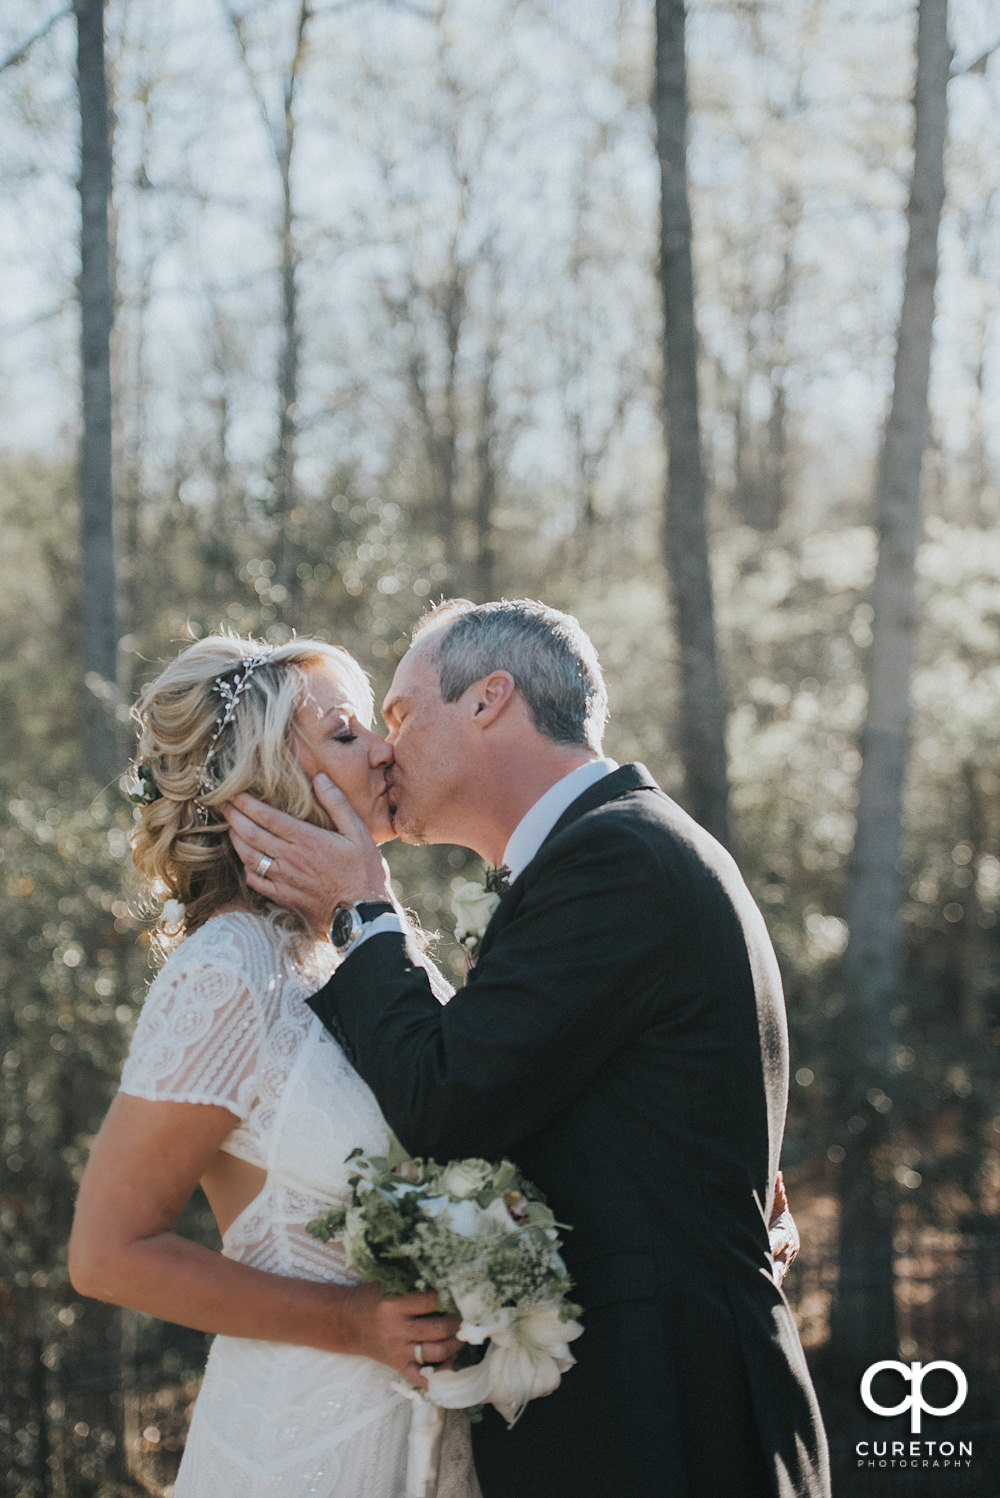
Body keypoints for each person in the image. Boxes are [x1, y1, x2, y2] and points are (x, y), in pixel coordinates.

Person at [224, 598, 832, 1498]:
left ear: (487, 700)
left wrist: (365, 909)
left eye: (398, 713)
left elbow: (447, 1099)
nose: (386, 750)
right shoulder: (609, 850)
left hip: (670, 1422)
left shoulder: (615, 857)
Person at [68, 632, 481, 1498]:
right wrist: (352, 1322)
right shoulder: (229, 970)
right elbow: (106, 1253)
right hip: (296, 1448)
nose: (382, 750)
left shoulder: (363, 949)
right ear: (261, 787)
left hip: (434, 1441)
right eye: (344, 734)